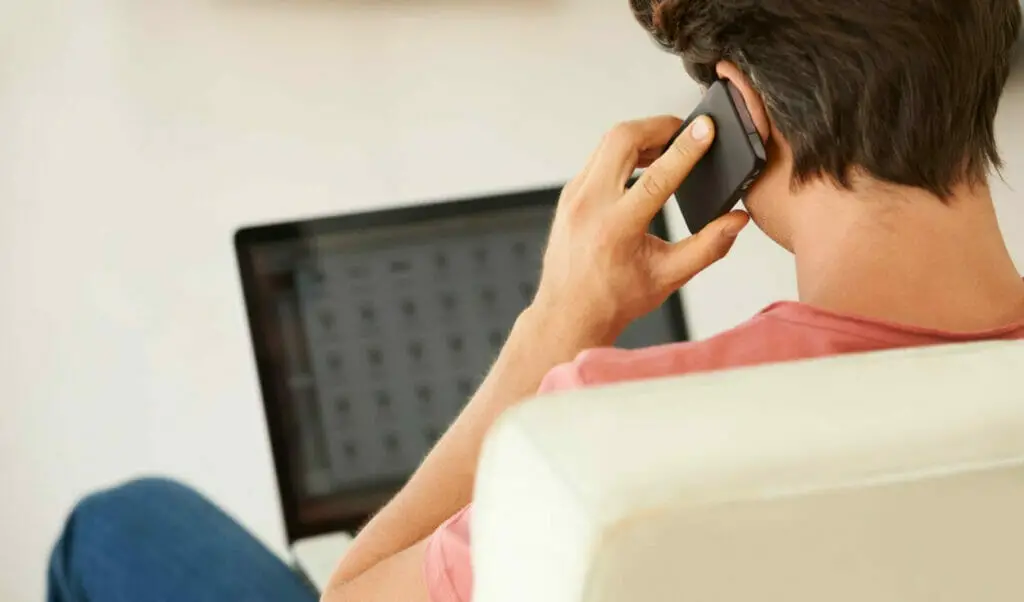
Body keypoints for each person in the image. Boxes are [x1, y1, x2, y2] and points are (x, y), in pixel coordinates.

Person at [51, 0, 1023, 600]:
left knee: (124, 522)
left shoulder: (607, 441)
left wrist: (556, 324)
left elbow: (349, 597)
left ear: (741, 112)